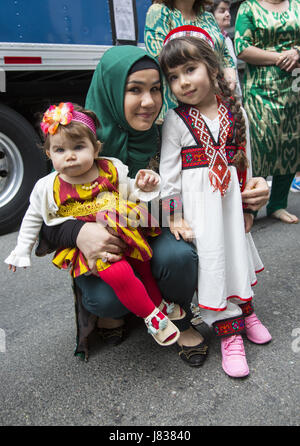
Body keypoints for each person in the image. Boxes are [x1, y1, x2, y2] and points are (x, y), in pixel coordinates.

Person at [37, 45, 269, 364]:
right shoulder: (77, 142)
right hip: (107, 256)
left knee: (180, 256)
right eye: (135, 90)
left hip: (150, 238)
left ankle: (176, 314)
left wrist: (250, 194)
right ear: (111, 89)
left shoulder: (167, 133)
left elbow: (211, 175)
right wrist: (79, 233)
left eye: (156, 89)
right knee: (106, 299)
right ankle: (128, 310)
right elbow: (45, 219)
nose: (149, 102)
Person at [5, 101, 188, 347]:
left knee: (142, 264)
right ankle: (152, 318)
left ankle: (158, 303)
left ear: (95, 148)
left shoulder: (110, 167)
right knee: (118, 272)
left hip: (125, 229)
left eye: (78, 147)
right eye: (60, 150)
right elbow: (32, 218)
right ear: (48, 154)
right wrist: (21, 250)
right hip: (94, 246)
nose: (70, 155)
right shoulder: (47, 187)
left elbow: (130, 190)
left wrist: (145, 185)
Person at [159, 29, 272, 378]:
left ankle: (245, 310)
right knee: (212, 264)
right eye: (173, 77)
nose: (182, 82)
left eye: (190, 70)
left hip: (230, 206)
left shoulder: (234, 112)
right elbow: (168, 175)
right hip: (200, 212)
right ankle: (229, 335)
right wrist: (175, 217)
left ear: (211, 67)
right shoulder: (176, 121)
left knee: (235, 255)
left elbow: (246, 162)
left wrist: (250, 207)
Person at [234, 0, 300, 224]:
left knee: (291, 141)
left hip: (294, 84)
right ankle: (250, 207)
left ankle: (278, 204)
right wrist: (281, 57)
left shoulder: (297, 5)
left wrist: (297, 52)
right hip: (261, 87)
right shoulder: (248, 7)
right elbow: (241, 47)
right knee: (260, 144)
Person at [144, 0, 237, 120]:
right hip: (179, 107)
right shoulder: (160, 11)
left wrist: (230, 72)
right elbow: (160, 58)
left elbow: (224, 52)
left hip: (214, 98)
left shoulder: (208, 17)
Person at [209, 0, 242, 99]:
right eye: (222, 11)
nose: (228, 14)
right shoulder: (209, 41)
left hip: (233, 94)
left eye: (228, 10)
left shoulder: (226, 38)